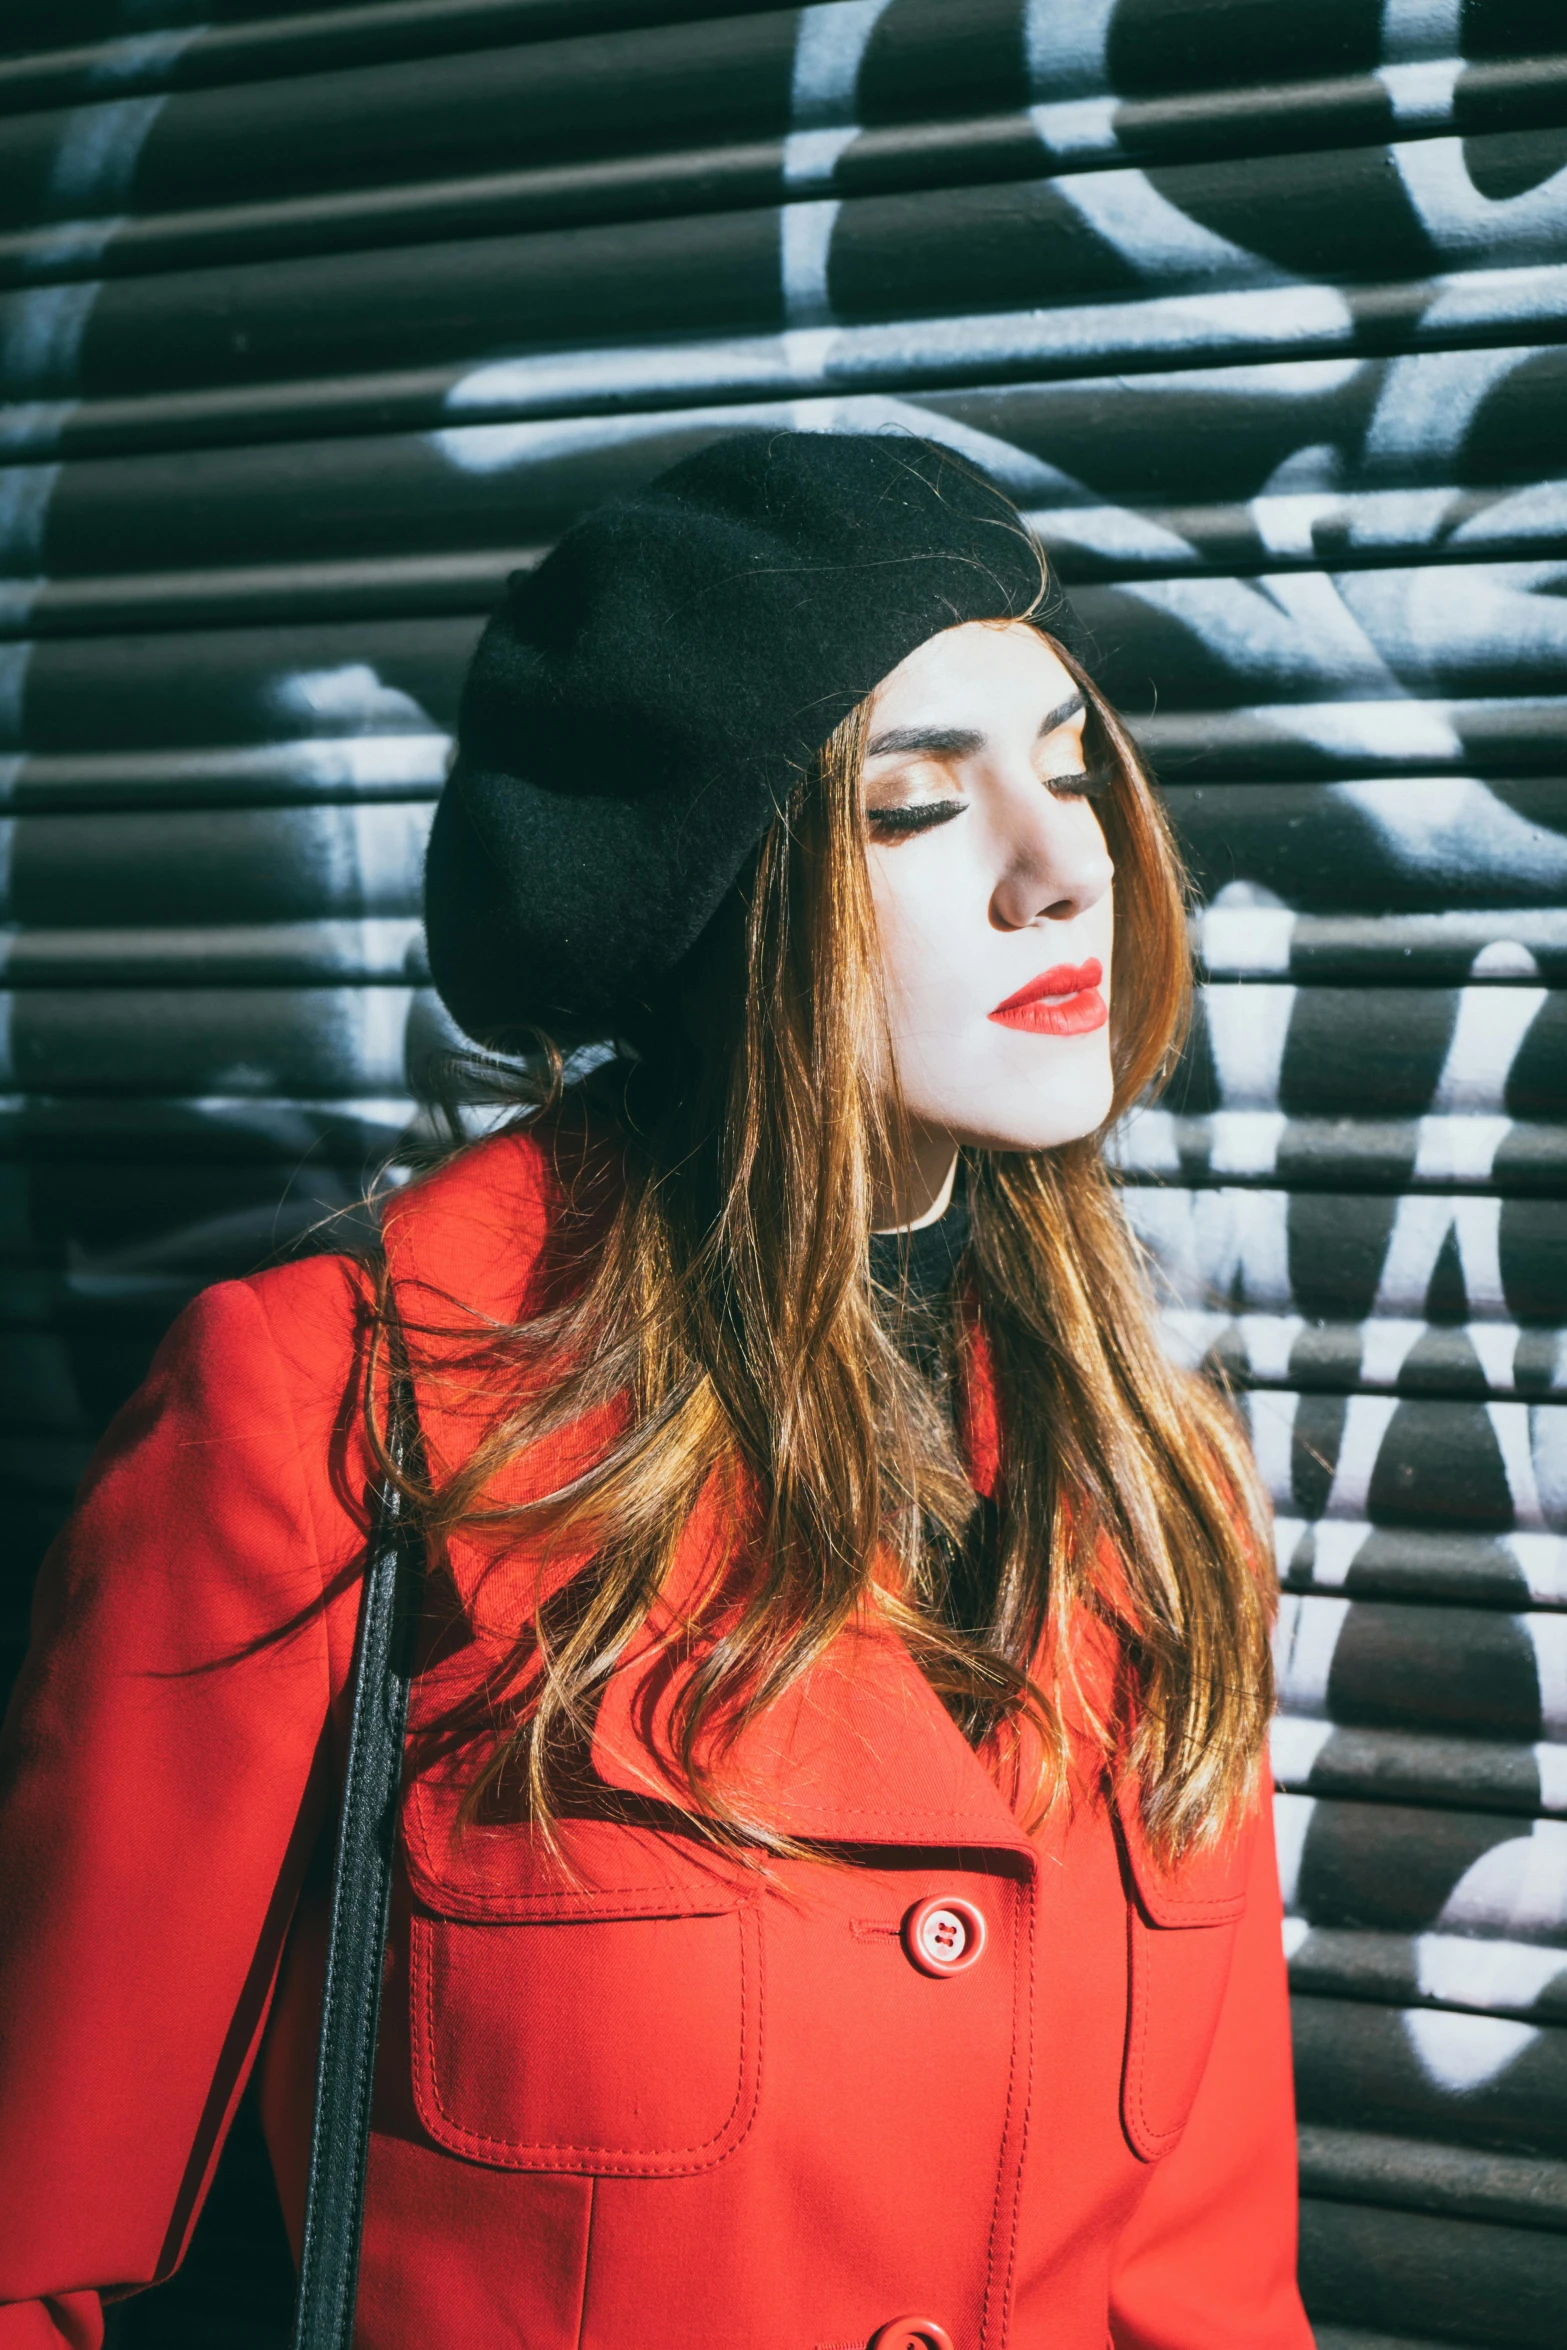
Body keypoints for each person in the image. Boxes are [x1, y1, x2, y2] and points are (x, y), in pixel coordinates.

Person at [0, 434, 1310, 2350]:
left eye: (1066, 760)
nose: (1061, 869)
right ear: (718, 893)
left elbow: (1210, 2299)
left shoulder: (1148, 1478)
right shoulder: (341, 1409)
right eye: (914, 808)